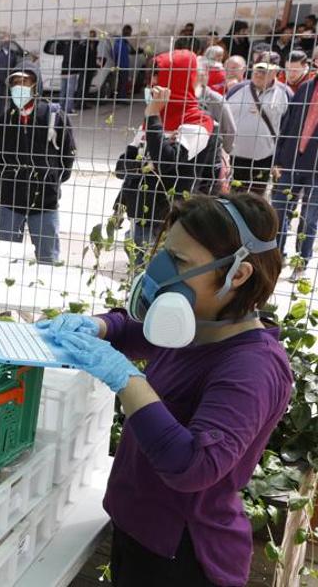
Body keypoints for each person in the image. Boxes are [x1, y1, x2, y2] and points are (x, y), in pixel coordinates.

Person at [38, 192, 289, 587]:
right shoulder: (198, 324)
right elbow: (132, 330)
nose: (161, 271)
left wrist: (126, 379)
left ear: (238, 275)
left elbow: (192, 465)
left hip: (182, 558)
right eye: (166, 254)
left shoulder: (252, 367)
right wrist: (95, 326)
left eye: (180, 261)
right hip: (139, 535)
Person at [114, 51, 221, 261]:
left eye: (159, 76)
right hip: (140, 215)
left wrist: (153, 116)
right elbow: (121, 167)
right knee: (137, 270)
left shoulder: (198, 122)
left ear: (178, 80)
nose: (152, 83)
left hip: (170, 220)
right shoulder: (152, 121)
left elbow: (166, 162)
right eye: (151, 76)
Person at [0, 63, 75, 264]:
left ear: (36, 85)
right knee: (6, 261)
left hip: (45, 203)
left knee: (48, 261)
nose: (20, 87)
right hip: (10, 203)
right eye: (15, 82)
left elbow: (68, 155)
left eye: (25, 82)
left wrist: (51, 182)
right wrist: (3, 191)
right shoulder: (1, 122)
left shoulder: (54, 117)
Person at [270, 64, 318, 282]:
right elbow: (287, 125)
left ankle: (301, 262)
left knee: (309, 218)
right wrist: (278, 159)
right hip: (290, 162)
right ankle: (276, 257)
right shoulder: (306, 87)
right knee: (280, 210)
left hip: (315, 169)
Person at [225, 52, 288, 195]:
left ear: (275, 72)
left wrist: (279, 160)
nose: (259, 74)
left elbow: (287, 129)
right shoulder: (236, 90)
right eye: (257, 69)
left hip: (263, 160)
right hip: (234, 158)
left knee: (255, 200)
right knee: (232, 198)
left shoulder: (285, 94)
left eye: (264, 71)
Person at [194, 58, 235, 156]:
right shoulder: (180, 97)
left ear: (204, 75)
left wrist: (220, 153)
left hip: (209, 156)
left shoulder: (216, 99)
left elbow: (229, 130)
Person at [113, 25, 137, 98]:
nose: (130, 34)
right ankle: (121, 98)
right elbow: (115, 53)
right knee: (122, 82)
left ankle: (120, 97)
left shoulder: (124, 42)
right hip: (121, 65)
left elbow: (131, 51)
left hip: (123, 65)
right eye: (129, 32)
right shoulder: (120, 41)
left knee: (122, 82)